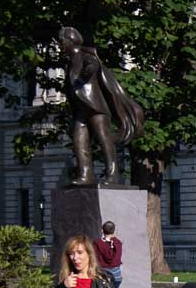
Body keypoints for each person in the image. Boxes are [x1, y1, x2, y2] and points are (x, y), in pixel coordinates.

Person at [58, 25, 145, 186]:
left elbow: (92, 65)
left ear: (70, 41)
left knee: (103, 137)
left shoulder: (86, 55)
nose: (60, 45)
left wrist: (85, 74)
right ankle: (86, 175)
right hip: (80, 109)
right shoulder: (70, 62)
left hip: (95, 106)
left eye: (62, 41)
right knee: (79, 139)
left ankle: (113, 175)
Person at [93, 221, 124, 288]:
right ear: (114, 231)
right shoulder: (118, 243)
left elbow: (94, 256)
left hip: (102, 275)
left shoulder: (97, 243)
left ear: (102, 230)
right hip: (116, 276)